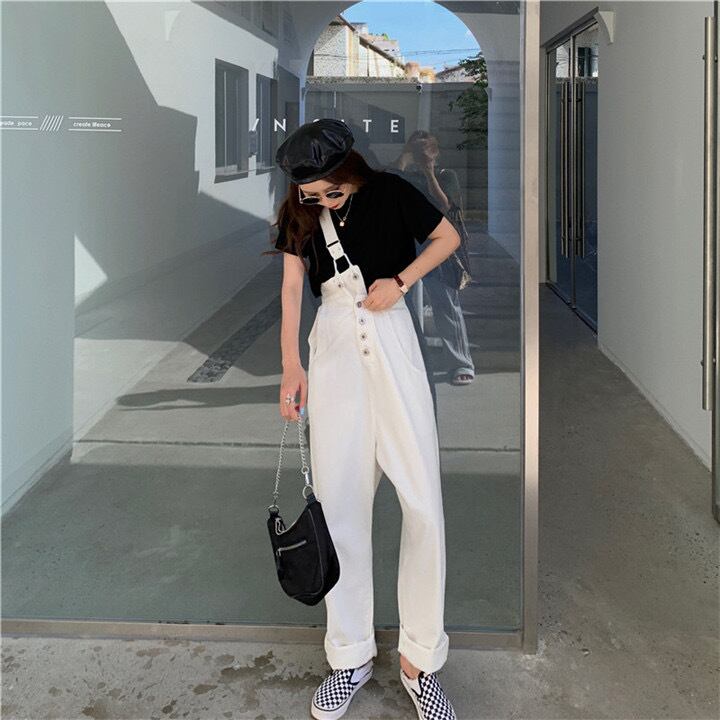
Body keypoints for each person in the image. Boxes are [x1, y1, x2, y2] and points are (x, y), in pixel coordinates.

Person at [269, 118, 460, 720]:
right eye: (311, 194)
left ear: (351, 172)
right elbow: (292, 288)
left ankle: (419, 661)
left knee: (422, 502)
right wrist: (290, 365)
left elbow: (448, 237)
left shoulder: (392, 192)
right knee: (341, 505)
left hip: (392, 339)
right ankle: (349, 655)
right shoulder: (299, 212)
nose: (322, 202)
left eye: (332, 191)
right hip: (332, 351)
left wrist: (400, 281)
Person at [387, 130, 476, 386]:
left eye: (426, 150)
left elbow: (445, 206)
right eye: (417, 149)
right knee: (398, 303)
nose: (422, 154)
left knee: (446, 303)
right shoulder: (402, 174)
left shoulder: (446, 176)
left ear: (435, 152)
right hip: (405, 245)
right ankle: (403, 362)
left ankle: (460, 363)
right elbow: (387, 186)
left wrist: (429, 172)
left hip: (437, 247)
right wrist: (405, 158)